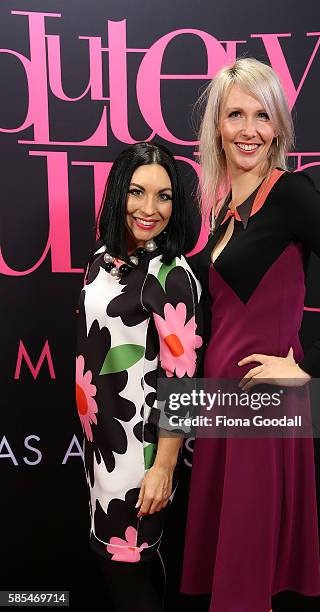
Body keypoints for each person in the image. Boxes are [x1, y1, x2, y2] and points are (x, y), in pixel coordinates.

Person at [180, 58, 320, 612]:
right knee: (230, 576)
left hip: (261, 405)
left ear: (277, 128)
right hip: (220, 406)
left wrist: (305, 365)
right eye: (235, 115)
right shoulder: (225, 210)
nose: (249, 129)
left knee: (246, 582)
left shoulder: (292, 194)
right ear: (217, 128)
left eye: (262, 116)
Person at [75, 142, 203, 612]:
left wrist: (163, 468)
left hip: (139, 459)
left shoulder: (171, 276)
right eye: (137, 192)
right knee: (130, 575)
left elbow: (182, 383)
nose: (150, 209)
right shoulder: (101, 260)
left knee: (128, 579)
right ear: (117, 195)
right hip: (100, 450)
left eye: (164, 196)